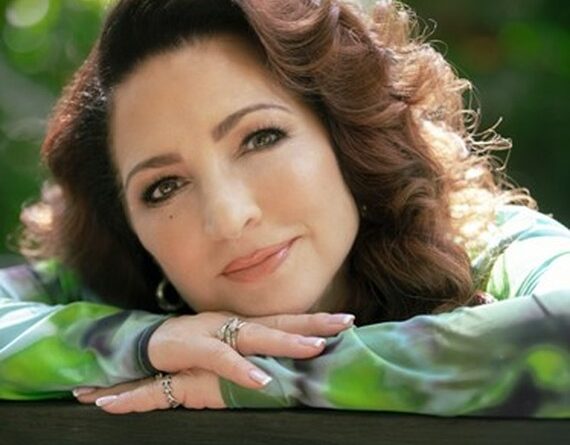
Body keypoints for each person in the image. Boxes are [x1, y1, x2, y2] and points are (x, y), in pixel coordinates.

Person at [1, 0, 569, 417]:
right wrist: (146, 343)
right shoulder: (109, 288)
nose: (229, 217)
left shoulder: (484, 247)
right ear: (130, 228)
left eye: (261, 138)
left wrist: (266, 376)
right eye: (164, 187)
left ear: (344, 136)